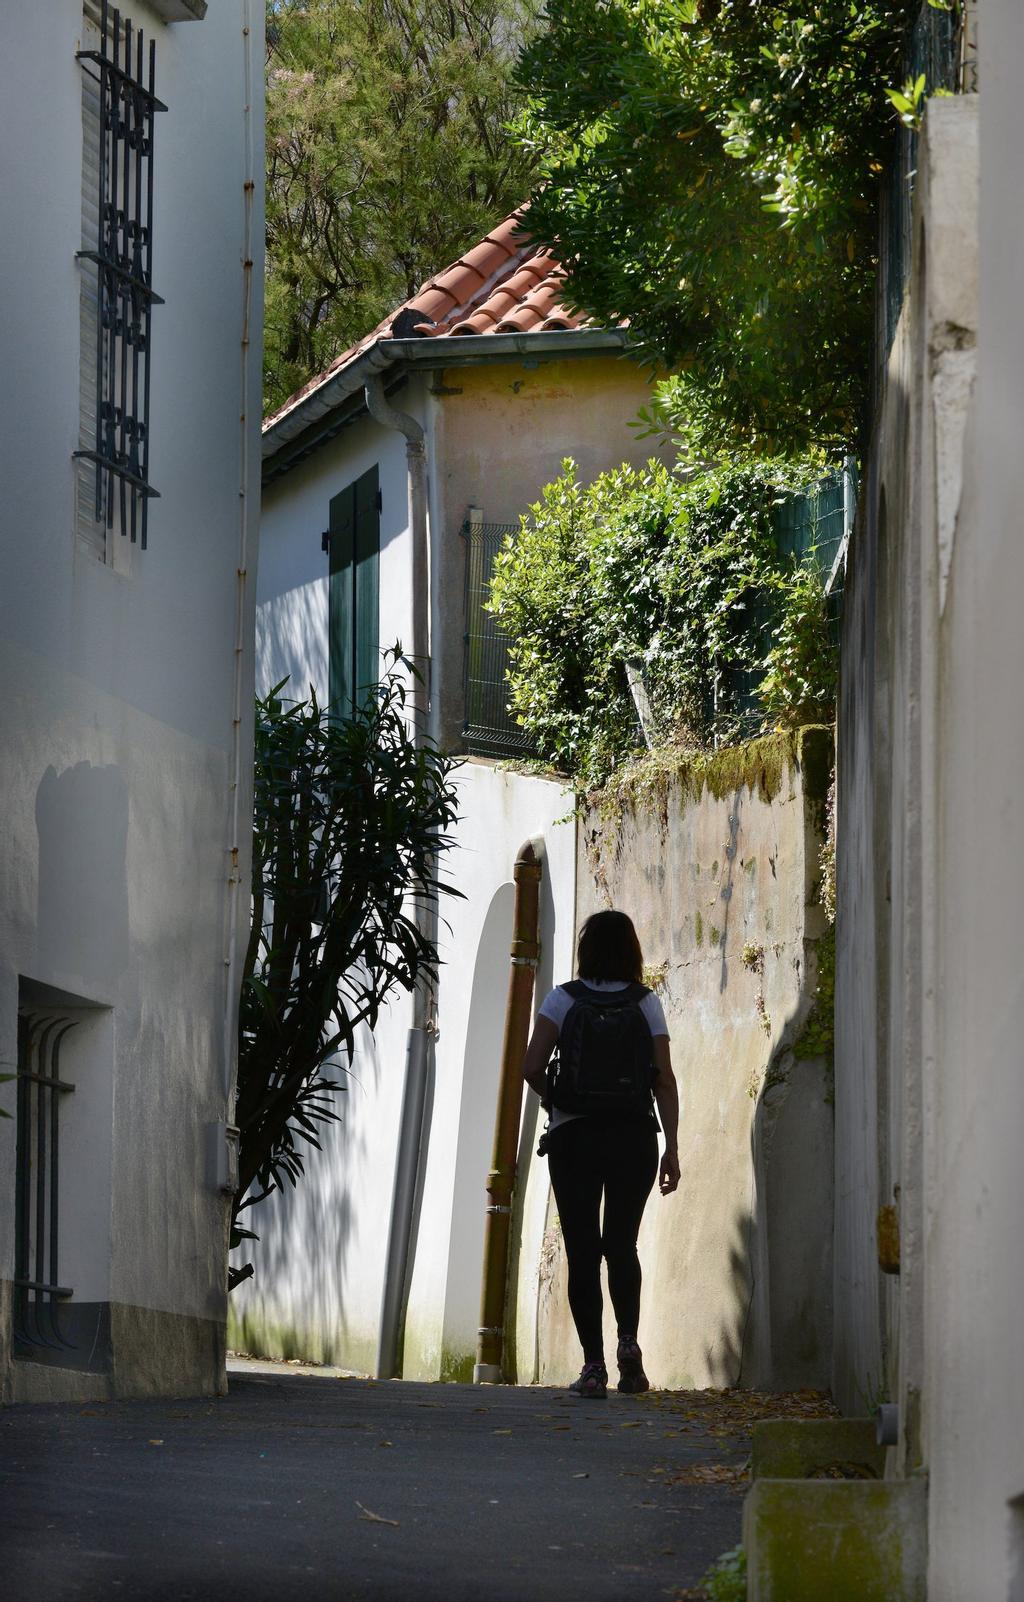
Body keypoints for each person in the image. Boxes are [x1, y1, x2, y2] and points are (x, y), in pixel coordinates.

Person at [521, 909, 680, 1400]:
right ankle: (628, 1343)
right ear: (632, 951)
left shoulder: (562, 999)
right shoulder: (646, 1002)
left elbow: (530, 1065)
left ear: (585, 950)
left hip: (575, 1138)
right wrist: (672, 1147)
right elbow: (665, 1079)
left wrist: (561, 1098)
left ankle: (593, 1366)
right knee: (621, 1245)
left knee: (583, 1251)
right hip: (633, 1137)